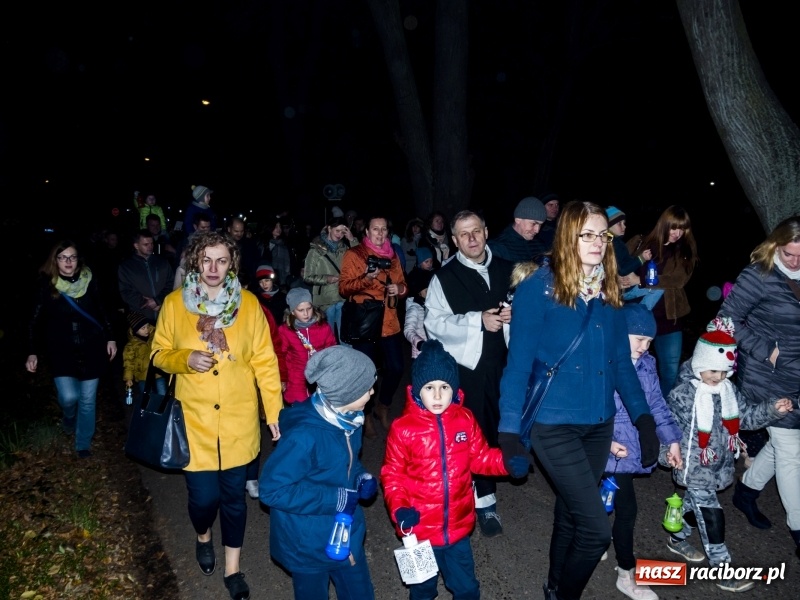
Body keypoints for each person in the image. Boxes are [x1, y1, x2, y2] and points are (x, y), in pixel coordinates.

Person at [497, 200, 657, 600]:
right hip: (554, 425)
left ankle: (554, 586)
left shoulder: (609, 290)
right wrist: (509, 431)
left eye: (602, 235)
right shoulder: (538, 289)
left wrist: (643, 418)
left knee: (571, 513)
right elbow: (518, 365)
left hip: (599, 423)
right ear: (568, 236)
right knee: (596, 531)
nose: (597, 242)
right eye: (587, 234)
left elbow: (621, 363)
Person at [151, 231, 283, 600]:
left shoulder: (249, 305)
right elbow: (158, 353)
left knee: (235, 500)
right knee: (203, 499)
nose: (213, 267)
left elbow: (265, 361)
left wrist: (273, 409)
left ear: (231, 265)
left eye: (221, 260)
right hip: (195, 422)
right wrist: (185, 358)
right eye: (206, 259)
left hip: (239, 420)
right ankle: (203, 535)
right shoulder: (175, 304)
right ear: (196, 261)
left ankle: (233, 568)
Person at [381, 340, 528, 600]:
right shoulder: (403, 429)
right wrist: (399, 508)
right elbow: (393, 475)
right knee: (422, 590)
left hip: (458, 528)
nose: (438, 396)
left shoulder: (465, 420)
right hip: (420, 531)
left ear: (455, 389)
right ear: (417, 389)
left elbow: (480, 457)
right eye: (429, 387)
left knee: (467, 588)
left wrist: (506, 462)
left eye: (445, 387)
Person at [664, 317, 793, 593]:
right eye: (713, 370)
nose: (718, 377)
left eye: (724, 372)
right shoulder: (683, 395)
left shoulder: (727, 391)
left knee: (694, 509)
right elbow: (667, 427)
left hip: (718, 465)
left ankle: (676, 537)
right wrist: (667, 454)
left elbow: (745, 418)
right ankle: (722, 570)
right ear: (699, 364)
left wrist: (772, 410)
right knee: (712, 514)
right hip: (693, 465)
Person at [259, 345, 379, 600]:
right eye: (366, 388)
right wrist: (335, 498)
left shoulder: (351, 420)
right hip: (307, 543)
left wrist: (360, 477)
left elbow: (346, 463)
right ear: (345, 393)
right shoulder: (304, 437)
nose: (372, 392)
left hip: (345, 532)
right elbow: (272, 490)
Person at [424, 210, 514, 537]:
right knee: (476, 433)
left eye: (476, 230)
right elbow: (433, 323)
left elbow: (530, 309)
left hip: (509, 364)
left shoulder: (508, 269)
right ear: (454, 240)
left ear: (486, 231)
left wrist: (514, 313)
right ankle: (485, 501)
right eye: (464, 234)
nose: (472, 238)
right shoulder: (444, 278)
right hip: (470, 369)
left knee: (507, 426)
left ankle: (509, 467)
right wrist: (477, 320)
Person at [719, 216, 800, 555]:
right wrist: (767, 350)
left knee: (785, 443)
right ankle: (798, 527)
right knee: (791, 449)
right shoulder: (759, 275)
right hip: (768, 377)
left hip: (797, 374)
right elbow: (726, 319)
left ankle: (747, 492)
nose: (793, 261)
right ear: (775, 245)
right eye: (787, 253)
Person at [604, 304, 683, 600]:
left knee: (605, 501)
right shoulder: (604, 360)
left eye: (649, 341)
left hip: (628, 448)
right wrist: (605, 442)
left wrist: (671, 441)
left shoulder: (647, 364)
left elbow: (656, 405)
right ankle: (626, 572)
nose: (644, 347)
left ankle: (595, 540)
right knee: (625, 510)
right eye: (638, 339)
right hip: (606, 448)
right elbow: (590, 408)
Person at [25, 240, 118, 458]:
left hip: (92, 348)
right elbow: (34, 321)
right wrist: (31, 350)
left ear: (78, 259)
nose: (68, 261)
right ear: (55, 260)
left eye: (72, 257)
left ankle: (82, 443)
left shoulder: (90, 280)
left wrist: (111, 338)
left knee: (87, 400)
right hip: (61, 351)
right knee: (69, 397)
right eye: (63, 257)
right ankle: (68, 416)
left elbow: (103, 310)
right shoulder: (47, 285)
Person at [339, 214, 407, 438]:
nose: (380, 233)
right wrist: (367, 278)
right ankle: (366, 414)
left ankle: (383, 406)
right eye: (375, 229)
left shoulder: (393, 255)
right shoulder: (355, 254)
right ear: (366, 232)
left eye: (383, 229)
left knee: (396, 367)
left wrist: (400, 289)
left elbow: (403, 284)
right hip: (365, 321)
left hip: (389, 320)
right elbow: (344, 288)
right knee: (367, 372)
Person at [624, 205, 699, 399]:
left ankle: (663, 410)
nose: (677, 233)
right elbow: (617, 264)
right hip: (636, 317)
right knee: (629, 366)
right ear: (664, 224)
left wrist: (640, 280)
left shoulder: (685, 251)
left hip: (668, 318)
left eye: (682, 228)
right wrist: (620, 279)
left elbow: (677, 279)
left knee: (670, 371)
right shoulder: (640, 242)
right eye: (674, 227)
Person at [303, 216, 359, 343]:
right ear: (329, 228)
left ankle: (346, 356)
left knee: (345, 338)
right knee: (328, 339)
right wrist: (326, 279)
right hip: (325, 300)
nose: (339, 235)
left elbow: (360, 260)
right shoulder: (315, 250)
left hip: (342, 297)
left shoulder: (345, 249)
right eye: (337, 231)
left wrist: (352, 239)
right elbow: (307, 276)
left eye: (342, 232)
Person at [277, 288, 336, 405]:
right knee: (300, 408)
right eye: (301, 310)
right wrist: (283, 378)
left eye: (309, 308)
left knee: (320, 408)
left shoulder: (323, 327)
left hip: (320, 377)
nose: (306, 313)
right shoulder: (285, 331)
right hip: (296, 378)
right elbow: (280, 356)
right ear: (292, 312)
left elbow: (332, 350)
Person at [118, 229, 174, 324]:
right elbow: (126, 291)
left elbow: (170, 284)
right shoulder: (126, 267)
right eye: (146, 244)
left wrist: (157, 301)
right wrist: (146, 303)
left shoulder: (162, 263)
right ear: (136, 246)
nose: (150, 247)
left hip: (163, 314)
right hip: (140, 318)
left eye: (151, 243)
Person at [488, 196, 547, 264]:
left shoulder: (540, 246)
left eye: (540, 225)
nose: (537, 230)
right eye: (533, 224)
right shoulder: (497, 248)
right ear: (518, 220)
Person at [122, 311, 166, 398]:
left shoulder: (155, 337)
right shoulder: (131, 345)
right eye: (143, 328)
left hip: (158, 372)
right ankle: (149, 406)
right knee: (147, 397)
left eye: (148, 326)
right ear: (135, 330)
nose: (147, 329)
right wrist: (129, 378)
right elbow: (128, 362)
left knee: (162, 394)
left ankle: (164, 407)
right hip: (142, 376)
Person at [403, 247, 435, 360]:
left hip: (433, 351)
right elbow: (408, 330)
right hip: (420, 353)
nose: (430, 264)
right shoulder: (415, 308)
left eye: (431, 261)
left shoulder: (432, 305)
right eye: (426, 261)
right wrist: (419, 343)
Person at [227, 217, 261, 287]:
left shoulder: (250, 244)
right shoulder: (223, 244)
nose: (239, 234)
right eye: (236, 231)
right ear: (229, 229)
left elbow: (255, 263)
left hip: (248, 283)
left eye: (241, 231)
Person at [531, 192, 560, 257]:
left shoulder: (562, 224)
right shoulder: (535, 227)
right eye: (550, 205)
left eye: (557, 205)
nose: (555, 208)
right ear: (542, 207)